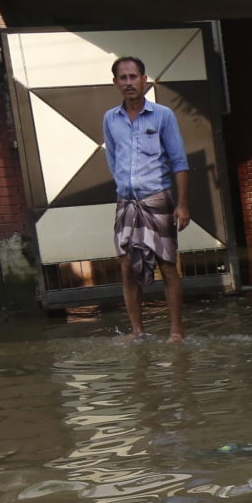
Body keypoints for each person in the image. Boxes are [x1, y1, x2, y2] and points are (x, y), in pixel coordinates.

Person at [103, 56, 192, 341]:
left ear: (144, 80)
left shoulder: (163, 115)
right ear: (116, 82)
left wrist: (182, 204)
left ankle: (176, 332)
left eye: (133, 76)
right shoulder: (110, 119)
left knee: (167, 265)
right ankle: (137, 331)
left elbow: (179, 161)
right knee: (127, 266)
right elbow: (113, 159)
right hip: (126, 202)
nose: (129, 82)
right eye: (123, 78)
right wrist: (123, 188)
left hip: (158, 198)